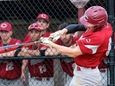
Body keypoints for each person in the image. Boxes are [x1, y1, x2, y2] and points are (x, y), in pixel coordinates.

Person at [40, 6, 112, 86]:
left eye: (89, 23)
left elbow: (73, 53)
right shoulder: (102, 25)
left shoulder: (98, 37)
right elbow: (78, 27)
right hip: (82, 73)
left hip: (87, 76)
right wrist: (61, 32)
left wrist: (50, 44)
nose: (86, 24)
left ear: (97, 24)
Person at [19, 13, 54, 86]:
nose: (41, 23)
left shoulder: (50, 36)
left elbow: (45, 52)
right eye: (39, 21)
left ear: (48, 25)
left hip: (47, 78)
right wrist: (22, 70)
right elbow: (25, 55)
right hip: (33, 78)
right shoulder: (29, 37)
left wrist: (27, 51)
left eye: (44, 22)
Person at [0, 22, 25, 86]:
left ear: (11, 32)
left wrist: (2, 54)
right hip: (1, 79)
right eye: (2, 32)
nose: (3, 34)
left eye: (6, 32)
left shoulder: (17, 42)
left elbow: (19, 51)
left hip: (15, 80)